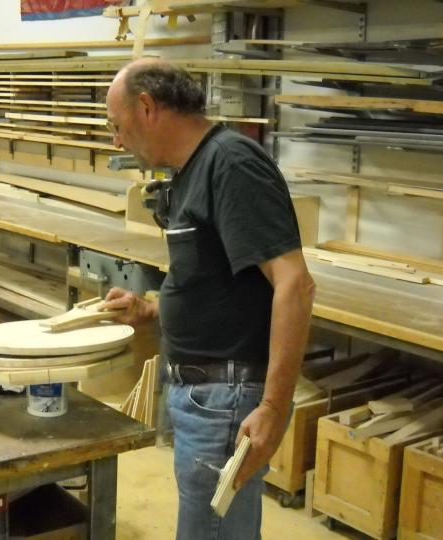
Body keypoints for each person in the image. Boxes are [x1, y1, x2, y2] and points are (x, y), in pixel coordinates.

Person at [101, 58, 315, 540]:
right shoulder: (191, 171)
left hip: (225, 399)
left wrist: (274, 410)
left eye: (117, 126)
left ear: (147, 107)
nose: (117, 140)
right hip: (202, 394)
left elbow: (294, 285)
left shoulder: (231, 163)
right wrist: (151, 309)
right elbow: (216, 282)